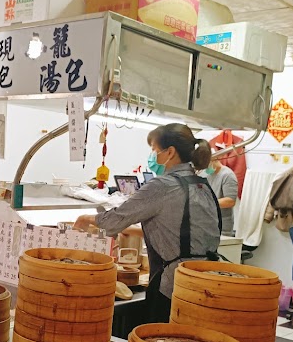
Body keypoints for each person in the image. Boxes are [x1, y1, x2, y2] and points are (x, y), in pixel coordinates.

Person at [74, 123, 222, 323]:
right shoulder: (202, 185)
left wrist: (85, 219)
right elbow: (175, 231)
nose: (153, 156)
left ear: (170, 152)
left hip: (173, 286)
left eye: (154, 149)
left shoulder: (162, 185)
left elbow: (114, 220)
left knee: (162, 338)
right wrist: (131, 230)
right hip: (204, 282)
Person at [204, 157, 238, 237]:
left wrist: (207, 202)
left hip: (222, 227)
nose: (204, 168)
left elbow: (230, 201)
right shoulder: (207, 175)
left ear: (214, 159)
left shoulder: (227, 175)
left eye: (206, 164)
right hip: (207, 225)